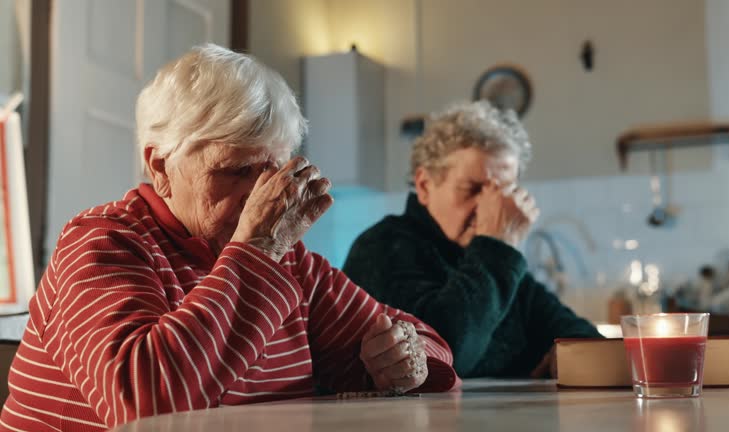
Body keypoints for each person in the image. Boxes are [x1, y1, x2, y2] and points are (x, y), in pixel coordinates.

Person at [0, 44, 457, 432]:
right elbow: (146, 410)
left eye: (272, 171)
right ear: (160, 166)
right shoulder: (102, 243)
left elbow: (428, 344)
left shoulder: (287, 260)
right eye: (236, 171)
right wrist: (258, 249)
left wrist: (406, 358)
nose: (260, 194)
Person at [343, 101, 601, 378]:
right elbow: (444, 359)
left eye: (503, 192)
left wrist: (569, 356)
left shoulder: (494, 259)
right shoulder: (382, 248)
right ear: (424, 185)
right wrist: (498, 244)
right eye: (472, 189)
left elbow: (586, 342)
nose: (491, 206)